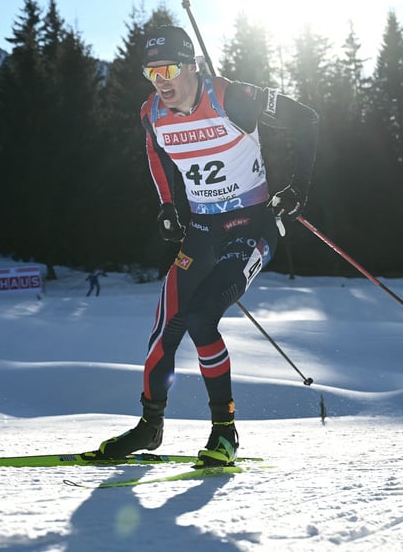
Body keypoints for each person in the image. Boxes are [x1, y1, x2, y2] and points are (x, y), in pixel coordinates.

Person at [94, 25, 319, 466]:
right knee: (165, 328)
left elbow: (307, 118)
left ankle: (224, 432)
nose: (161, 80)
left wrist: (298, 189)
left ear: (192, 66)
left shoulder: (231, 97)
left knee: (202, 317)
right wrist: (166, 204)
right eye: (151, 72)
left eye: (169, 68)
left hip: (252, 226)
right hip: (202, 229)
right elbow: (155, 153)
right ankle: (150, 427)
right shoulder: (152, 113)